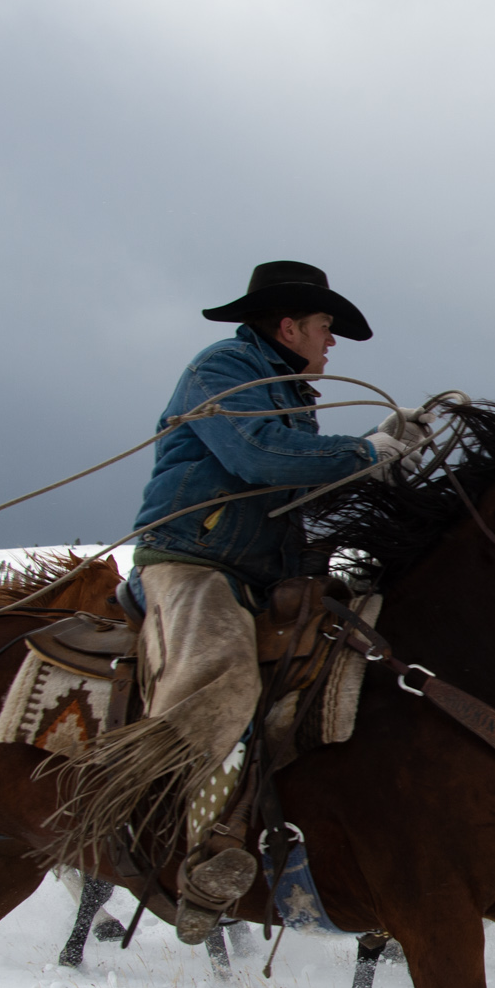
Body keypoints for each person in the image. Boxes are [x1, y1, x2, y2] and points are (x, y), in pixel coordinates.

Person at [124, 261, 428, 943]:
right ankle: (185, 848)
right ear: (288, 325)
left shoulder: (290, 390)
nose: (332, 343)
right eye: (325, 327)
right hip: (192, 559)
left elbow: (301, 478)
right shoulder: (223, 369)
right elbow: (261, 457)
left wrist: (384, 451)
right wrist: (363, 450)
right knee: (224, 679)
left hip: (264, 572)